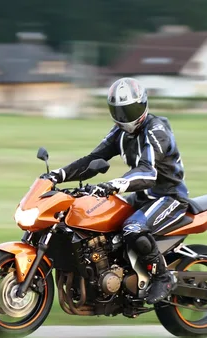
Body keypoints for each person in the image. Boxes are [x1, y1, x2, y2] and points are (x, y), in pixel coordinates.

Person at [42, 77, 189, 304]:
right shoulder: (119, 132)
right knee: (102, 222)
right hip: (141, 197)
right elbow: (93, 158)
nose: (124, 117)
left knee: (132, 228)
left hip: (168, 196)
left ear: (141, 105)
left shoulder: (155, 129)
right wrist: (57, 176)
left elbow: (148, 172)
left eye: (129, 109)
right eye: (119, 111)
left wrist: (114, 184)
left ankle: (163, 277)